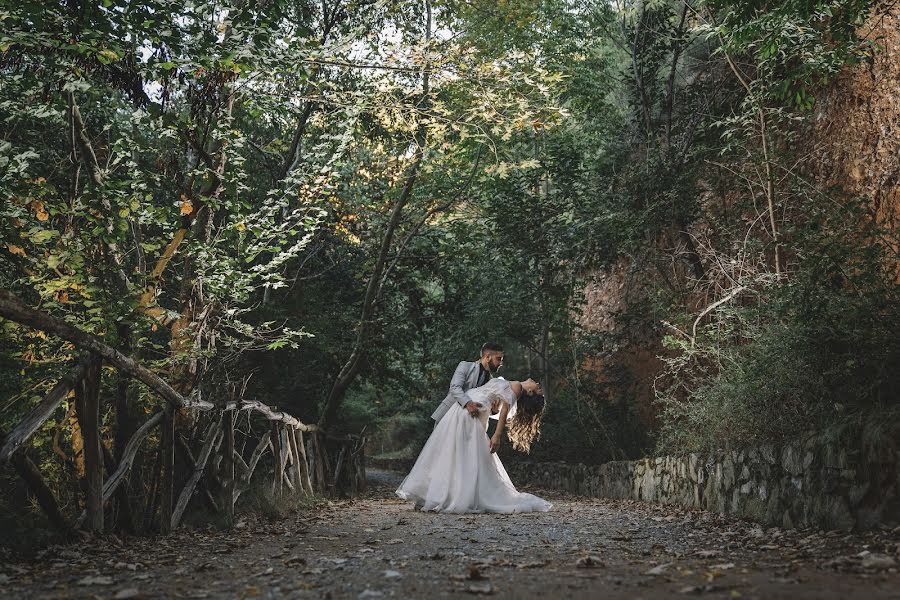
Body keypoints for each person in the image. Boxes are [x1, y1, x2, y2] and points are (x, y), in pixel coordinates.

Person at [396, 363, 551, 513]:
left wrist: (496, 436)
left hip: (470, 412)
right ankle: (442, 496)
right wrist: (493, 408)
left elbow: (504, 413)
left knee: (456, 455)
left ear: (530, 392)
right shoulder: (511, 385)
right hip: (467, 408)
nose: (537, 383)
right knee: (458, 456)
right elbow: (496, 409)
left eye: (538, 389)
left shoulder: (517, 386)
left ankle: (447, 497)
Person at [430, 342, 504, 425]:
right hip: (447, 415)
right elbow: (455, 388)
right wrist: (468, 403)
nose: (501, 364)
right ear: (487, 357)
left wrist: (493, 411)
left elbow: (482, 407)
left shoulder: (491, 381)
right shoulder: (465, 366)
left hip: (466, 423)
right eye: (498, 359)